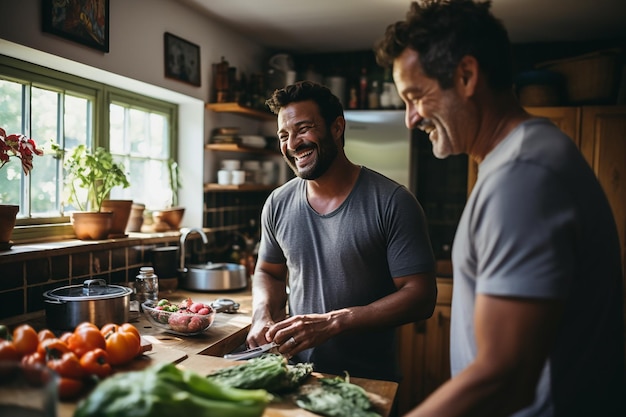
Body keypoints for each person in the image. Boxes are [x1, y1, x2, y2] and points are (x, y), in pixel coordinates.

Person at [374, 0, 626, 416]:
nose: (410, 119)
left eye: (416, 96)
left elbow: (504, 376)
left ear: (467, 76)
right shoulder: (523, 158)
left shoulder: (522, 175)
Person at [246, 80, 437, 382]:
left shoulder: (393, 201)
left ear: (336, 128)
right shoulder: (277, 203)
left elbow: (421, 296)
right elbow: (268, 272)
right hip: (295, 375)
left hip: (368, 380)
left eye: (304, 129)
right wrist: (261, 314)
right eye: (284, 135)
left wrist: (335, 322)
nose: (293, 143)